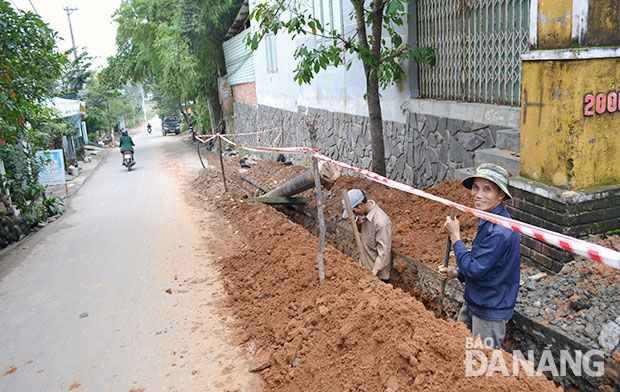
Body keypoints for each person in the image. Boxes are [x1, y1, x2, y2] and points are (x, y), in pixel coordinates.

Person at [438, 163, 520, 349]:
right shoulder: (488, 218)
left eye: (487, 189)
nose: (478, 194)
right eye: (476, 188)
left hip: (489, 309)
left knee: (480, 365)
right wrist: (457, 273)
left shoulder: (500, 231)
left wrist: (455, 236)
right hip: (476, 301)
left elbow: (475, 269)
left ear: (501, 195)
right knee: (459, 348)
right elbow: (483, 264)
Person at [342, 189, 392, 283]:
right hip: (365, 268)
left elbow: (384, 251)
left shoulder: (381, 222)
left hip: (377, 276)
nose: (354, 214)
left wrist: (373, 274)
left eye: (354, 211)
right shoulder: (364, 216)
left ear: (360, 205)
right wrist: (358, 223)